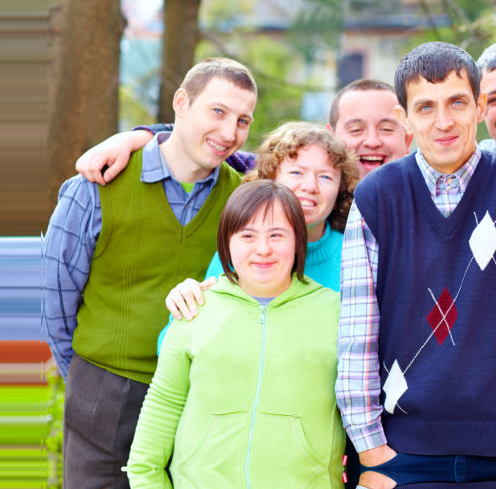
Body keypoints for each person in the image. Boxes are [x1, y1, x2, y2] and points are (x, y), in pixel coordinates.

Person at [340, 41, 496, 489]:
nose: (443, 121)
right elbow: (357, 332)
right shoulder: (376, 198)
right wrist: (371, 451)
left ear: (480, 106)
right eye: (425, 107)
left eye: (457, 103)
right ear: (405, 118)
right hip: (398, 454)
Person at [40, 57, 255, 489]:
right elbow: (54, 307)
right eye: (217, 111)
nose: (229, 132)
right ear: (181, 103)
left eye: (243, 119)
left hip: (198, 396)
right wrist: (91, 382)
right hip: (104, 393)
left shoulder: (244, 200)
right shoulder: (95, 186)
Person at [124, 181, 345, 488]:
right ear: (227, 243)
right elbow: (163, 405)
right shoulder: (195, 309)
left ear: (298, 241)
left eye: (277, 235)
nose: (263, 249)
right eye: (247, 236)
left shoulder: (336, 313)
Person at [161, 121, 361, 324]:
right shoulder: (243, 248)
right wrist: (187, 301)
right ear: (271, 180)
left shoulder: (354, 255)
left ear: (340, 191)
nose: (310, 186)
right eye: (296, 172)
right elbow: (177, 341)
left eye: (325, 177)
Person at [76, 79, 413, 182]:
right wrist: (140, 136)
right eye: (355, 128)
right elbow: (218, 148)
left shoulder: (424, 195)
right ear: (332, 136)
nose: (372, 141)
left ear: (408, 134)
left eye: (387, 128)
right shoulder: (299, 181)